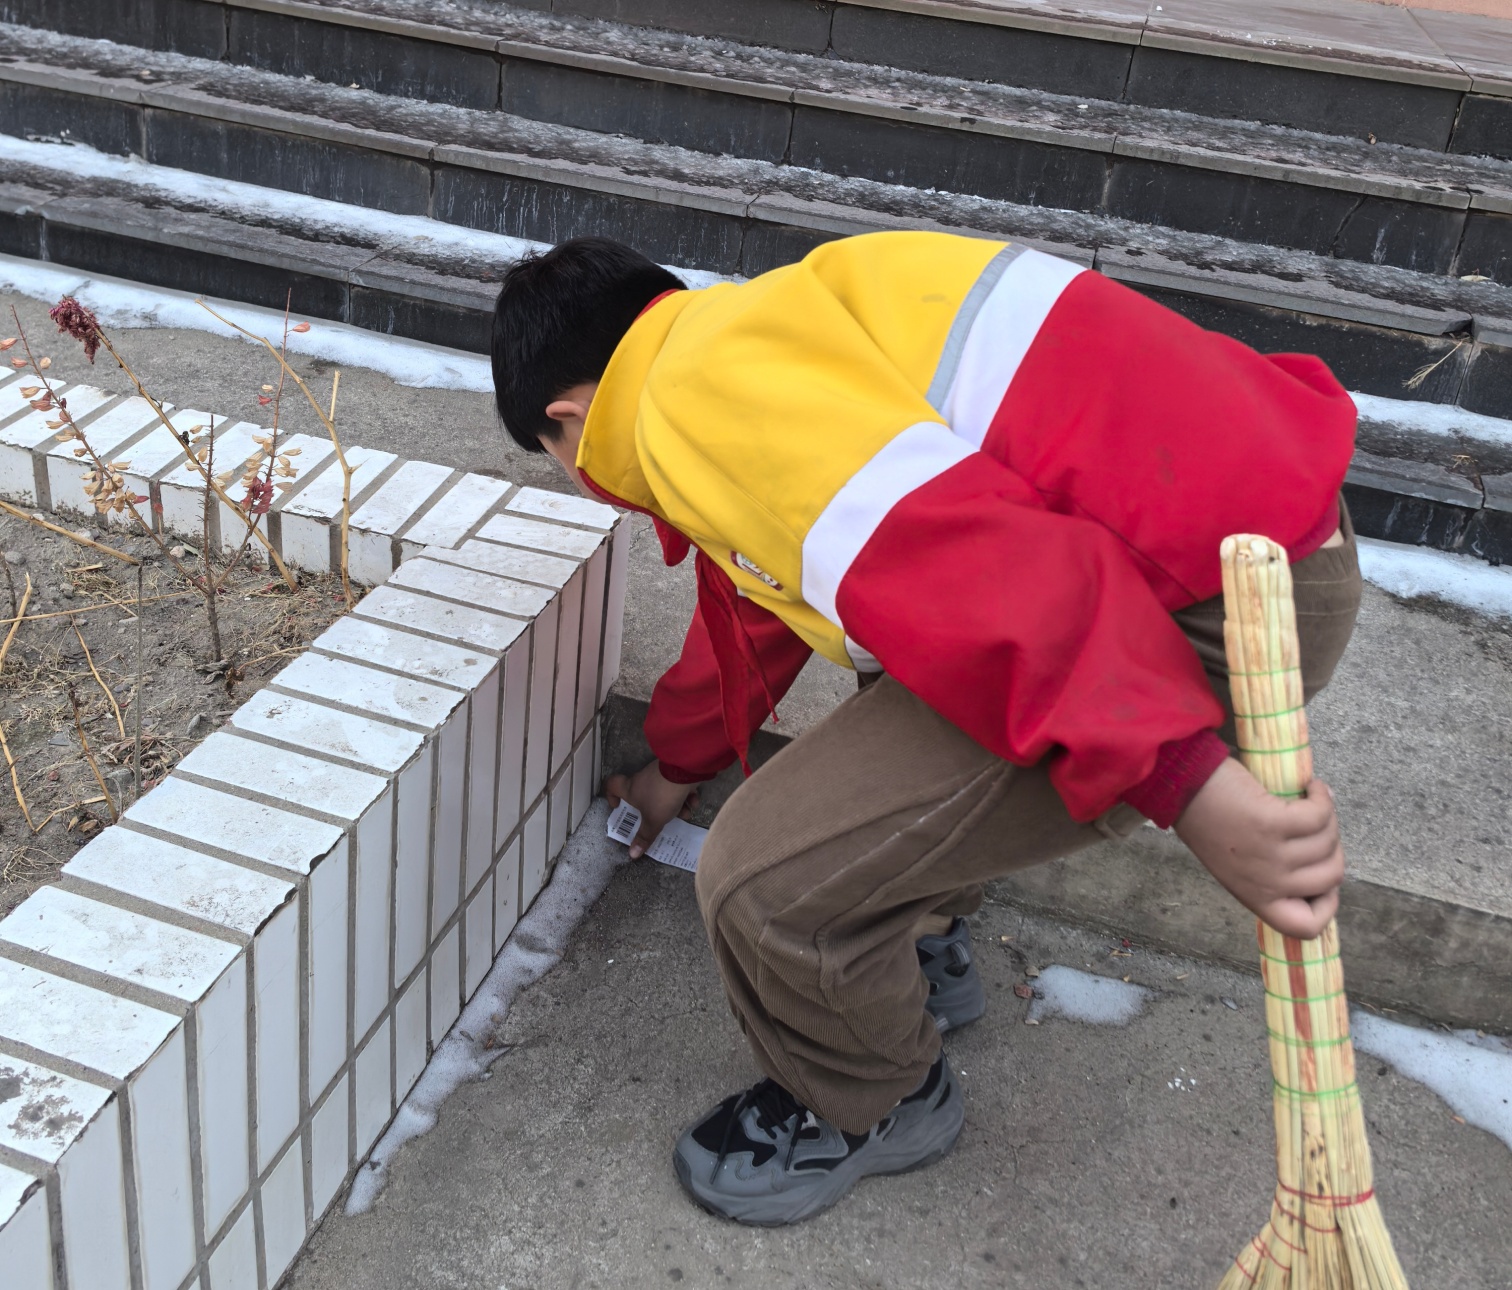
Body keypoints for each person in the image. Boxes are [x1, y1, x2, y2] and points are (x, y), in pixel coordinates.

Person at [490, 232, 1361, 1226]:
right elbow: (761, 609)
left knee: (764, 885)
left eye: (562, 458)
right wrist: (669, 776)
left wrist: (1185, 780)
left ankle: (876, 1099)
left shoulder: (687, 399)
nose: (583, 472)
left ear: (569, 416)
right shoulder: (761, 326)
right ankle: (914, 941)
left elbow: (982, 565)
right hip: (1248, 534)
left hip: (1200, 609)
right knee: (899, 671)